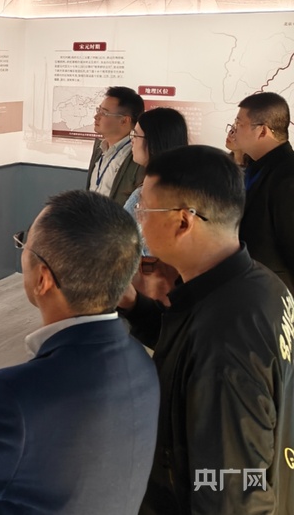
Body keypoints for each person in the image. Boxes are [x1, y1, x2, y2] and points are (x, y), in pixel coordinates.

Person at [0, 190, 160, 514]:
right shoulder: (142, 363)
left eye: (24, 244)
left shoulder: (14, 397)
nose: (22, 251)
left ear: (43, 279)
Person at [118, 145, 294, 514]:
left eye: (144, 209)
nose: (138, 219)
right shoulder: (259, 283)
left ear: (183, 222)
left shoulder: (225, 348)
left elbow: (234, 499)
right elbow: (190, 348)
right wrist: (136, 306)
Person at [123, 107, 189, 304]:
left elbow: (124, 237)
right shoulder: (184, 184)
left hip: (152, 291)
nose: (131, 140)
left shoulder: (152, 193)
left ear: (154, 141)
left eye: (136, 135)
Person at [230, 91, 294, 291]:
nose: (234, 130)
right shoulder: (257, 166)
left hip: (275, 292)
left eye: (239, 124)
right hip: (252, 287)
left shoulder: (287, 177)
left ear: (262, 131)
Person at [85, 86, 145, 206]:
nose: (96, 116)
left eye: (104, 113)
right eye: (98, 110)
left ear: (124, 120)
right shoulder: (100, 148)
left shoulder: (138, 156)